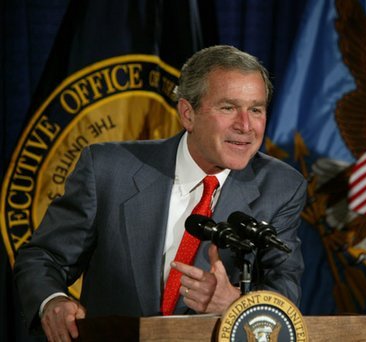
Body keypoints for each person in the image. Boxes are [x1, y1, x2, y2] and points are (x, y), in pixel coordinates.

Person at [13, 45, 307, 342]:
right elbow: (43, 256)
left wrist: (235, 303)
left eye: (256, 109)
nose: (245, 126)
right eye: (228, 107)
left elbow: (285, 289)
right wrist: (52, 301)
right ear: (188, 114)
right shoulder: (108, 170)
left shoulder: (281, 187)